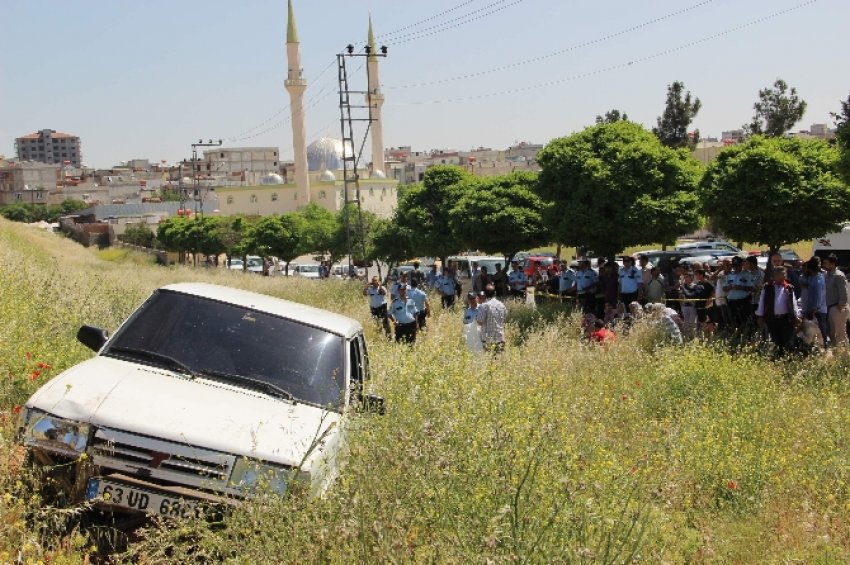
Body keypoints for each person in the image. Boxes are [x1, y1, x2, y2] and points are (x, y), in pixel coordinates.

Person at [755, 266, 801, 357]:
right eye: (783, 274)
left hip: (786, 319)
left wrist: (796, 316)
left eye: (785, 274)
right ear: (775, 276)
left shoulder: (788, 288)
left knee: (787, 340)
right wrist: (760, 316)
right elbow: (762, 302)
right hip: (773, 319)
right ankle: (777, 358)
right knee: (775, 339)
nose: (785, 276)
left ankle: (788, 359)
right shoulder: (768, 287)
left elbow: (793, 303)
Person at [823, 253, 849, 348]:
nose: (824, 265)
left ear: (832, 263)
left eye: (826, 263)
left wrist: (840, 306)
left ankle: (844, 355)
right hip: (830, 308)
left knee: (840, 333)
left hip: (837, 308)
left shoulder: (838, 275)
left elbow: (843, 292)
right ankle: (836, 355)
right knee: (832, 333)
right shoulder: (827, 275)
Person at [802, 256, 829, 347]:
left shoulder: (817, 280)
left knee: (820, 331)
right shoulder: (814, 277)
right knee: (813, 332)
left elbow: (818, 296)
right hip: (814, 309)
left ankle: (824, 348)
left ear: (810, 269)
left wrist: (814, 310)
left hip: (818, 311)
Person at [723, 256, 755, 331]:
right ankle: (736, 336)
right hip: (732, 301)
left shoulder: (747, 275)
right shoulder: (729, 275)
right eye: (734, 266)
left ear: (741, 265)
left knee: (744, 320)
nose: (736, 268)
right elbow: (724, 288)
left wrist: (740, 287)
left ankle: (746, 336)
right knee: (734, 320)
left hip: (743, 301)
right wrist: (729, 287)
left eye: (737, 266)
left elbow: (752, 288)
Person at [476, 284, 507, 354]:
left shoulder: (483, 306)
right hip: (500, 338)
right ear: (495, 293)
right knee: (500, 361)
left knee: (489, 362)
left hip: (488, 340)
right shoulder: (502, 305)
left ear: (485, 294)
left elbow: (480, 322)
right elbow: (504, 319)